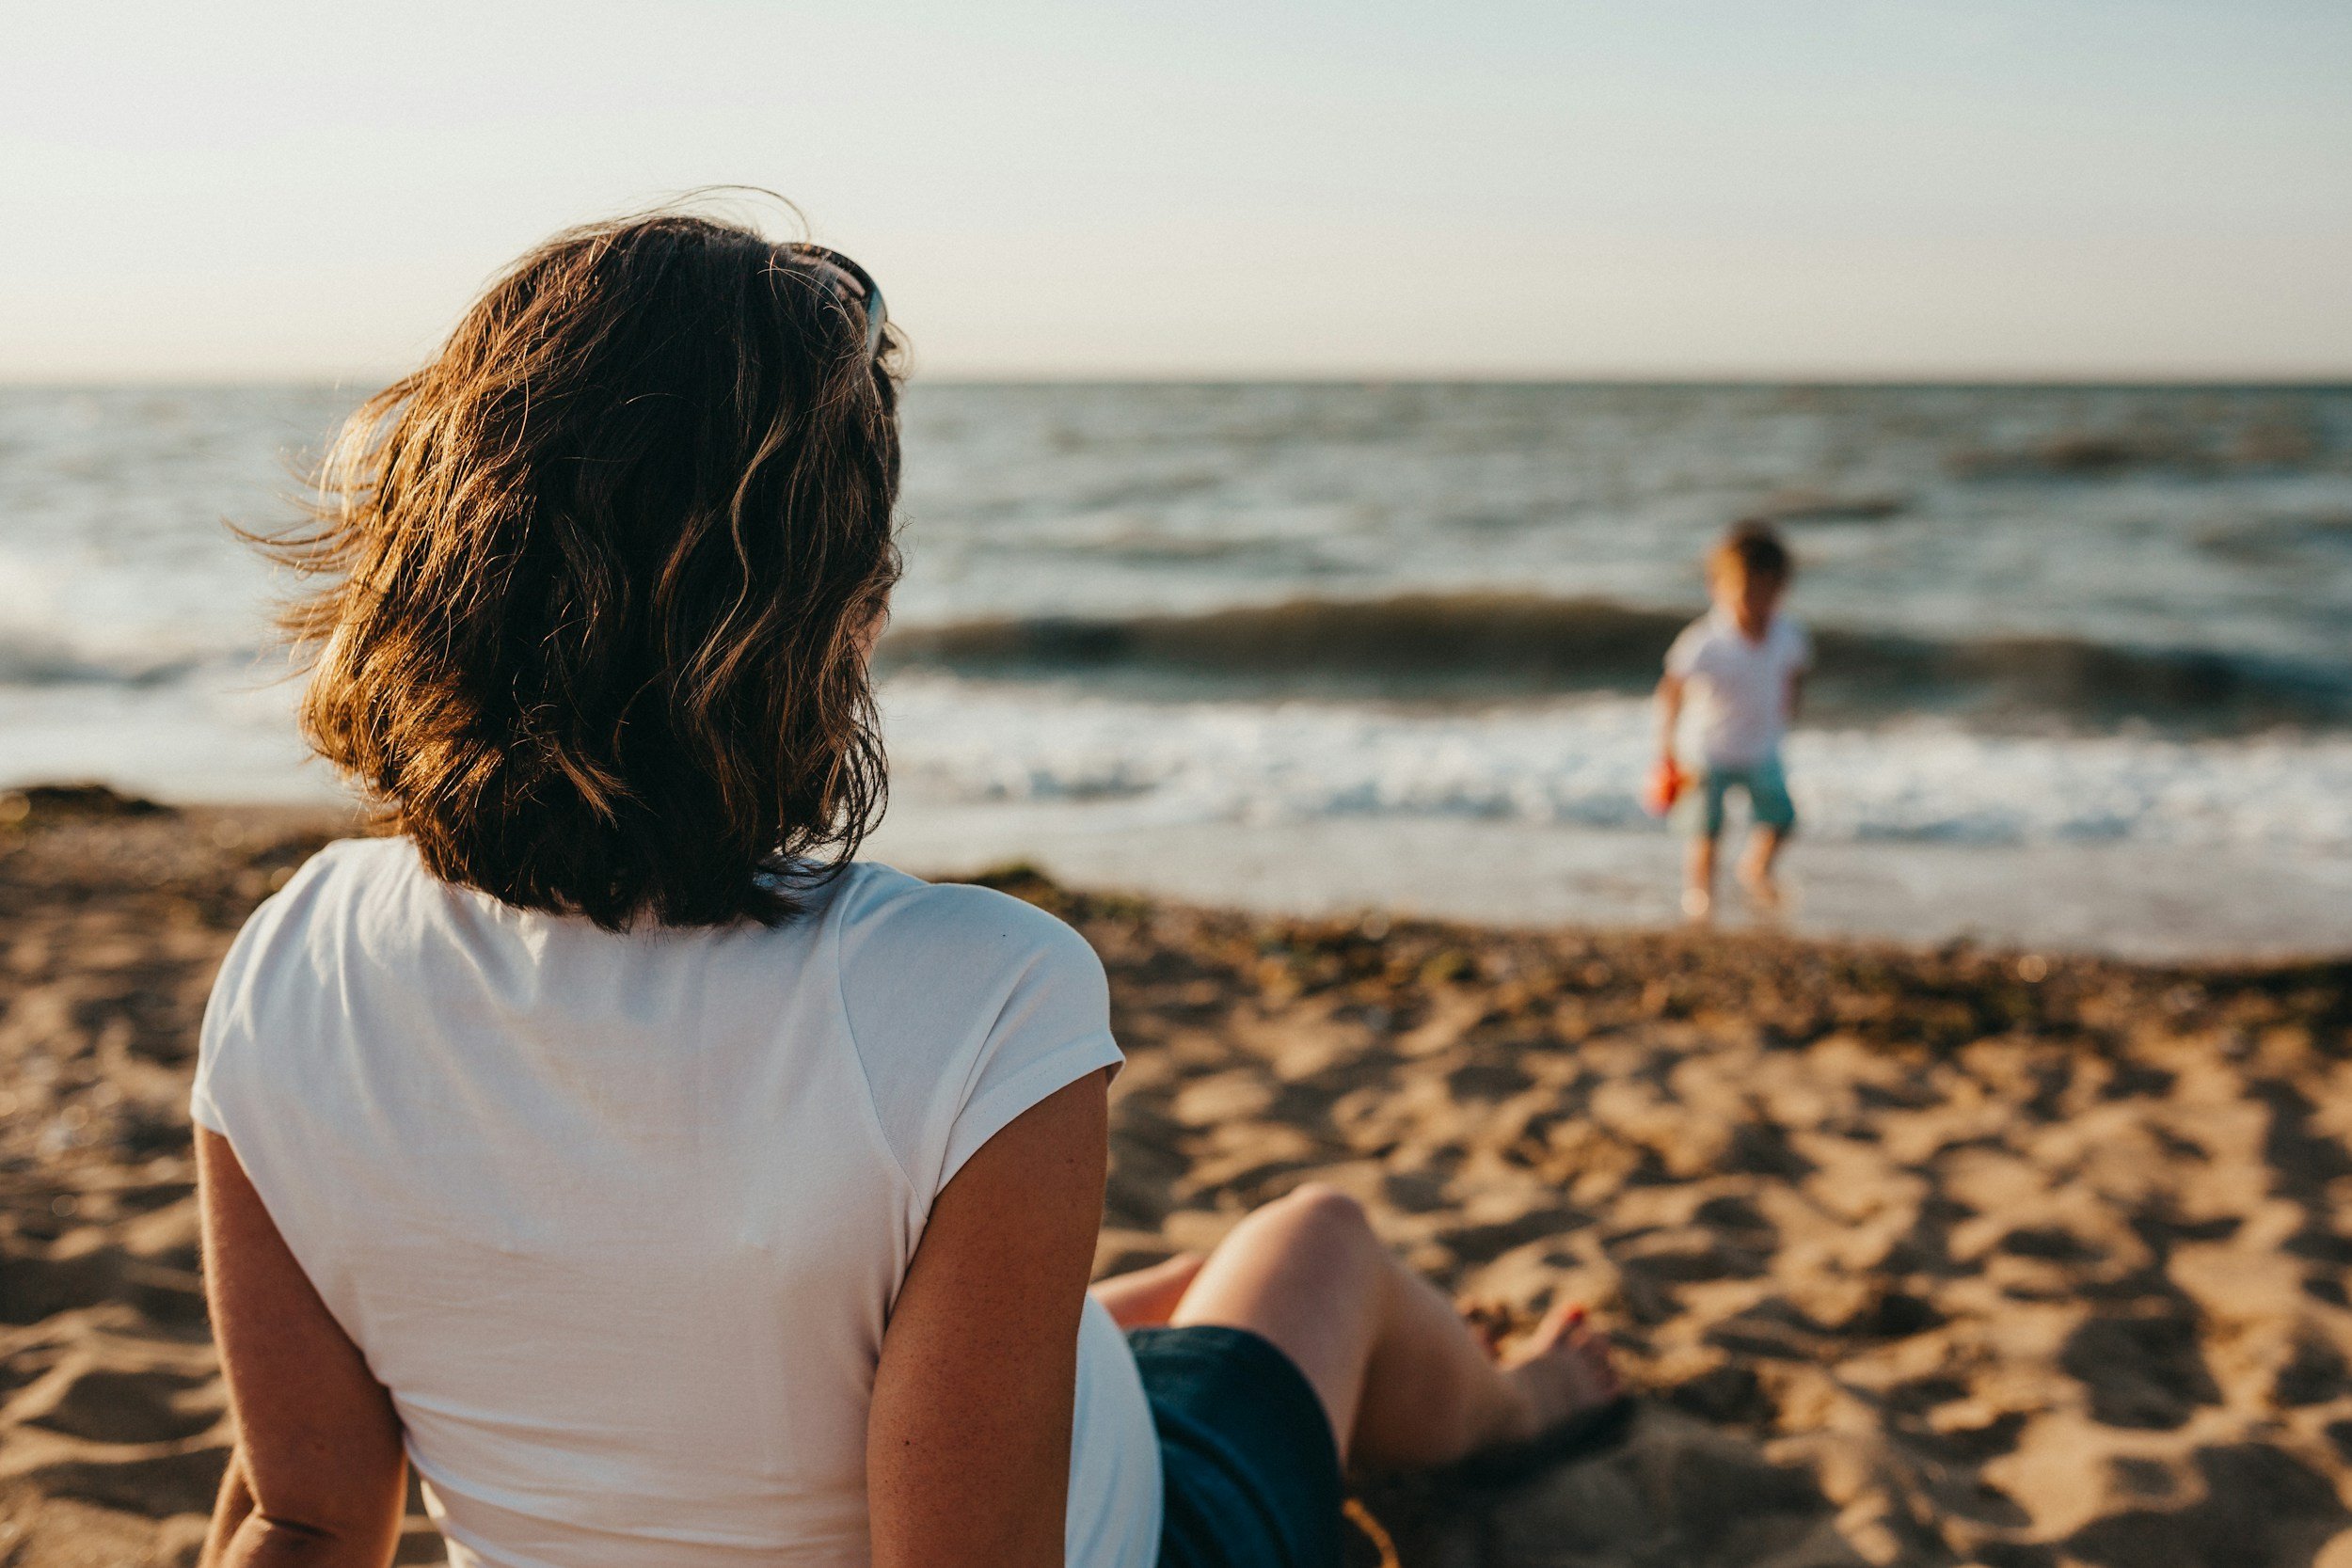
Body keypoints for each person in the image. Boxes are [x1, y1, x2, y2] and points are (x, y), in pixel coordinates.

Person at [192, 207, 1620, 1568]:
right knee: (1318, 1244)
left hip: (836, 1417)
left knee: (1156, 1300)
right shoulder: (982, 993)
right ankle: (1536, 1408)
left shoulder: (291, 960)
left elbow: (307, 1523)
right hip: (1147, 1528)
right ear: (843, 611)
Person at [1653, 522, 1809, 923]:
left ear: (1781, 589)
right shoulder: (1705, 640)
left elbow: (1794, 674)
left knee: (1782, 819)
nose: (1756, 603)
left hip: (1761, 747)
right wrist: (1666, 749)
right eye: (1746, 592)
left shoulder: (1788, 634)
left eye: (1767, 592)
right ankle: (1700, 897)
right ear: (1716, 586)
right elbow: (1671, 690)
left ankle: (1755, 868)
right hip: (1707, 751)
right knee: (1706, 831)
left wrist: (1787, 710)